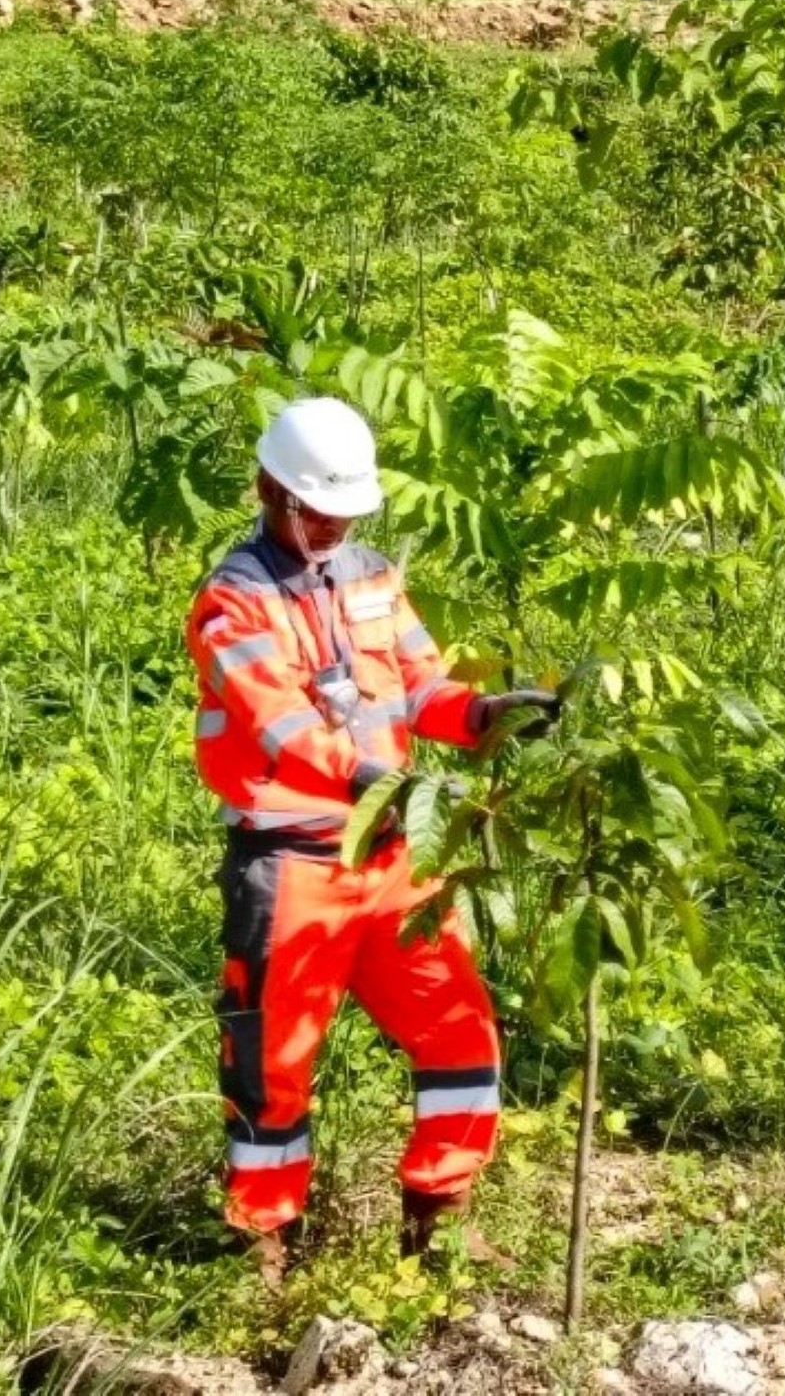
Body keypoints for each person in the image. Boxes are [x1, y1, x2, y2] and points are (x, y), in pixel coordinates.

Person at [186, 396, 558, 1280]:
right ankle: (260, 1241)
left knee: (460, 1030)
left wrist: (482, 714)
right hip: (291, 864)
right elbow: (280, 730)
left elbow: (422, 684)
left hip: (395, 859)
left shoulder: (374, 576)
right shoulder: (230, 601)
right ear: (270, 490)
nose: (330, 527)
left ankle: (441, 1216)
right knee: (270, 1060)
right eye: (316, 510)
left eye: (343, 513)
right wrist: (381, 781)